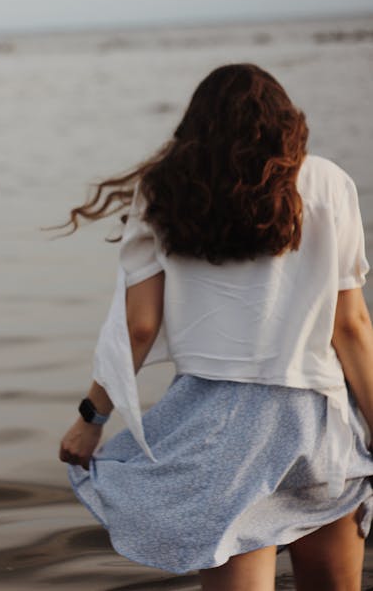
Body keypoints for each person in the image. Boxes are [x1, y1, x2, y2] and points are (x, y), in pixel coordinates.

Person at [51, 62, 373, 590]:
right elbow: (353, 326)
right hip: (317, 421)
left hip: (219, 432)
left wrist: (92, 418)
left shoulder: (163, 193)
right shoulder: (329, 182)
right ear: (285, 122)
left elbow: (139, 328)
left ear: (193, 130)